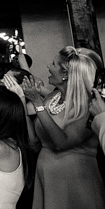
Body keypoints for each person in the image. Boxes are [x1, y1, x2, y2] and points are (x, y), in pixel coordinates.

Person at [22, 46, 105, 209]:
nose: (48, 66)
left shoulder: (89, 106)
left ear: (65, 73)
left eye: (53, 63)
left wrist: (37, 103)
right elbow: (34, 141)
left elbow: (62, 142)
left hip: (74, 180)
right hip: (46, 174)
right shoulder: (53, 97)